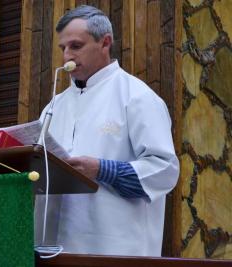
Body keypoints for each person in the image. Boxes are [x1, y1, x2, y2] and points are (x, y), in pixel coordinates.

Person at [35, 5, 179, 256]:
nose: (66, 56)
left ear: (105, 43)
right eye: (63, 48)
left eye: (76, 46)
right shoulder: (54, 106)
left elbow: (165, 171)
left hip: (116, 249)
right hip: (54, 250)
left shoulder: (137, 96)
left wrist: (103, 170)